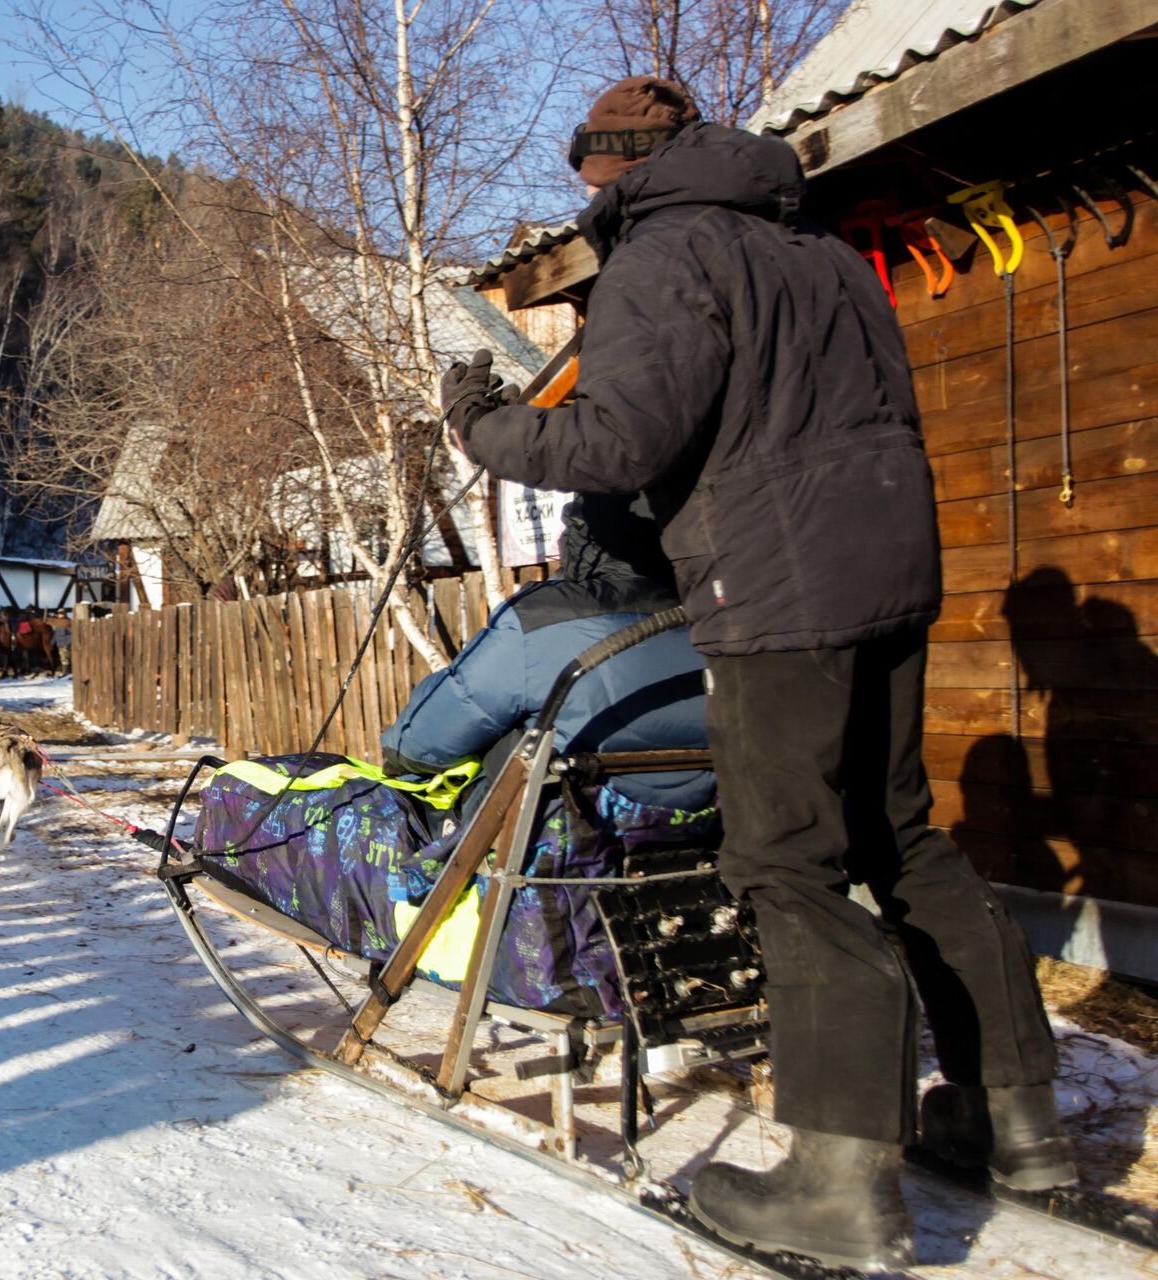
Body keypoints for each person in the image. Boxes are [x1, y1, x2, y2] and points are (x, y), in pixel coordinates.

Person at [441, 77, 1069, 1269]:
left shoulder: (663, 257)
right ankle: (1015, 1114)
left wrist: (484, 428)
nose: (588, 197)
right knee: (900, 834)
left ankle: (839, 1180)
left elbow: (622, 443)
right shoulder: (820, 251)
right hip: (891, 559)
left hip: (778, 584)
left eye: (590, 176)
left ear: (614, 167)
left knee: (787, 858)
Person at [382, 492, 709, 819]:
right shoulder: (719, 618)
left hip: (565, 840)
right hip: (700, 829)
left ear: (586, 540)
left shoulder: (542, 621)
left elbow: (423, 742)